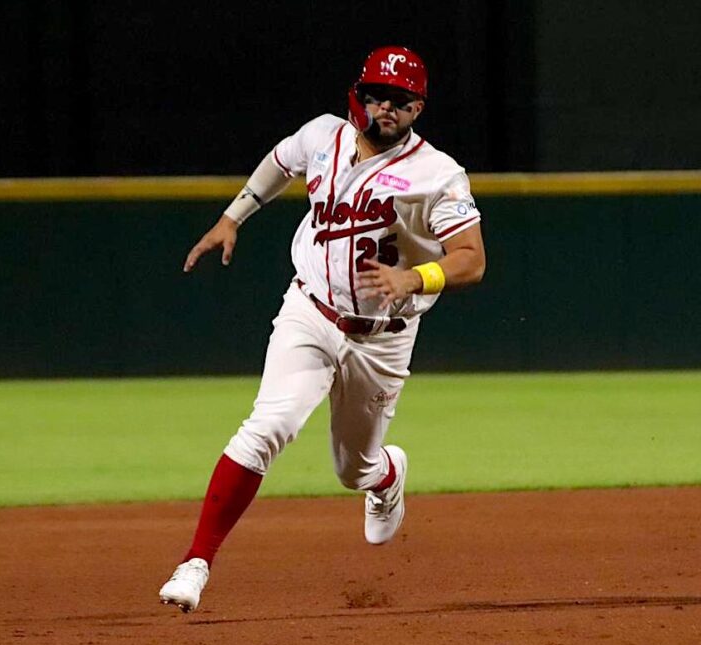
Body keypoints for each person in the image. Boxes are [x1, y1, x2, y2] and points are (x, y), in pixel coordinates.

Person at [159, 46, 487, 612]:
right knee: (267, 427)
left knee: (352, 468)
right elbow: (279, 163)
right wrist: (232, 216)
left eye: (402, 101)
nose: (387, 108)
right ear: (357, 96)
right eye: (377, 95)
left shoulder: (437, 174)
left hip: (381, 336)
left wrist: (417, 278)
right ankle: (195, 563)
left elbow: (471, 258)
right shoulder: (323, 137)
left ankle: (385, 477)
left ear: (418, 109)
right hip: (308, 311)